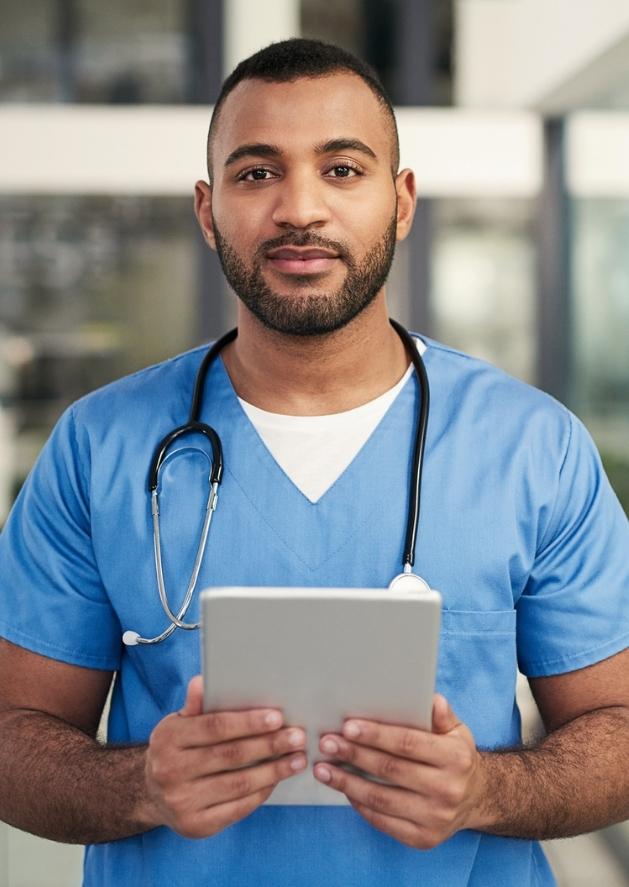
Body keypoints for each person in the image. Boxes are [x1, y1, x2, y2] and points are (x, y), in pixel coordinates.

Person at [0, 37, 628, 887]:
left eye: (342, 169)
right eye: (257, 173)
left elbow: (615, 726)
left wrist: (486, 789)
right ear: (207, 208)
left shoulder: (533, 448)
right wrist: (140, 785)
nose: (300, 208)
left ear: (401, 201)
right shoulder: (97, 446)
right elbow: (16, 733)